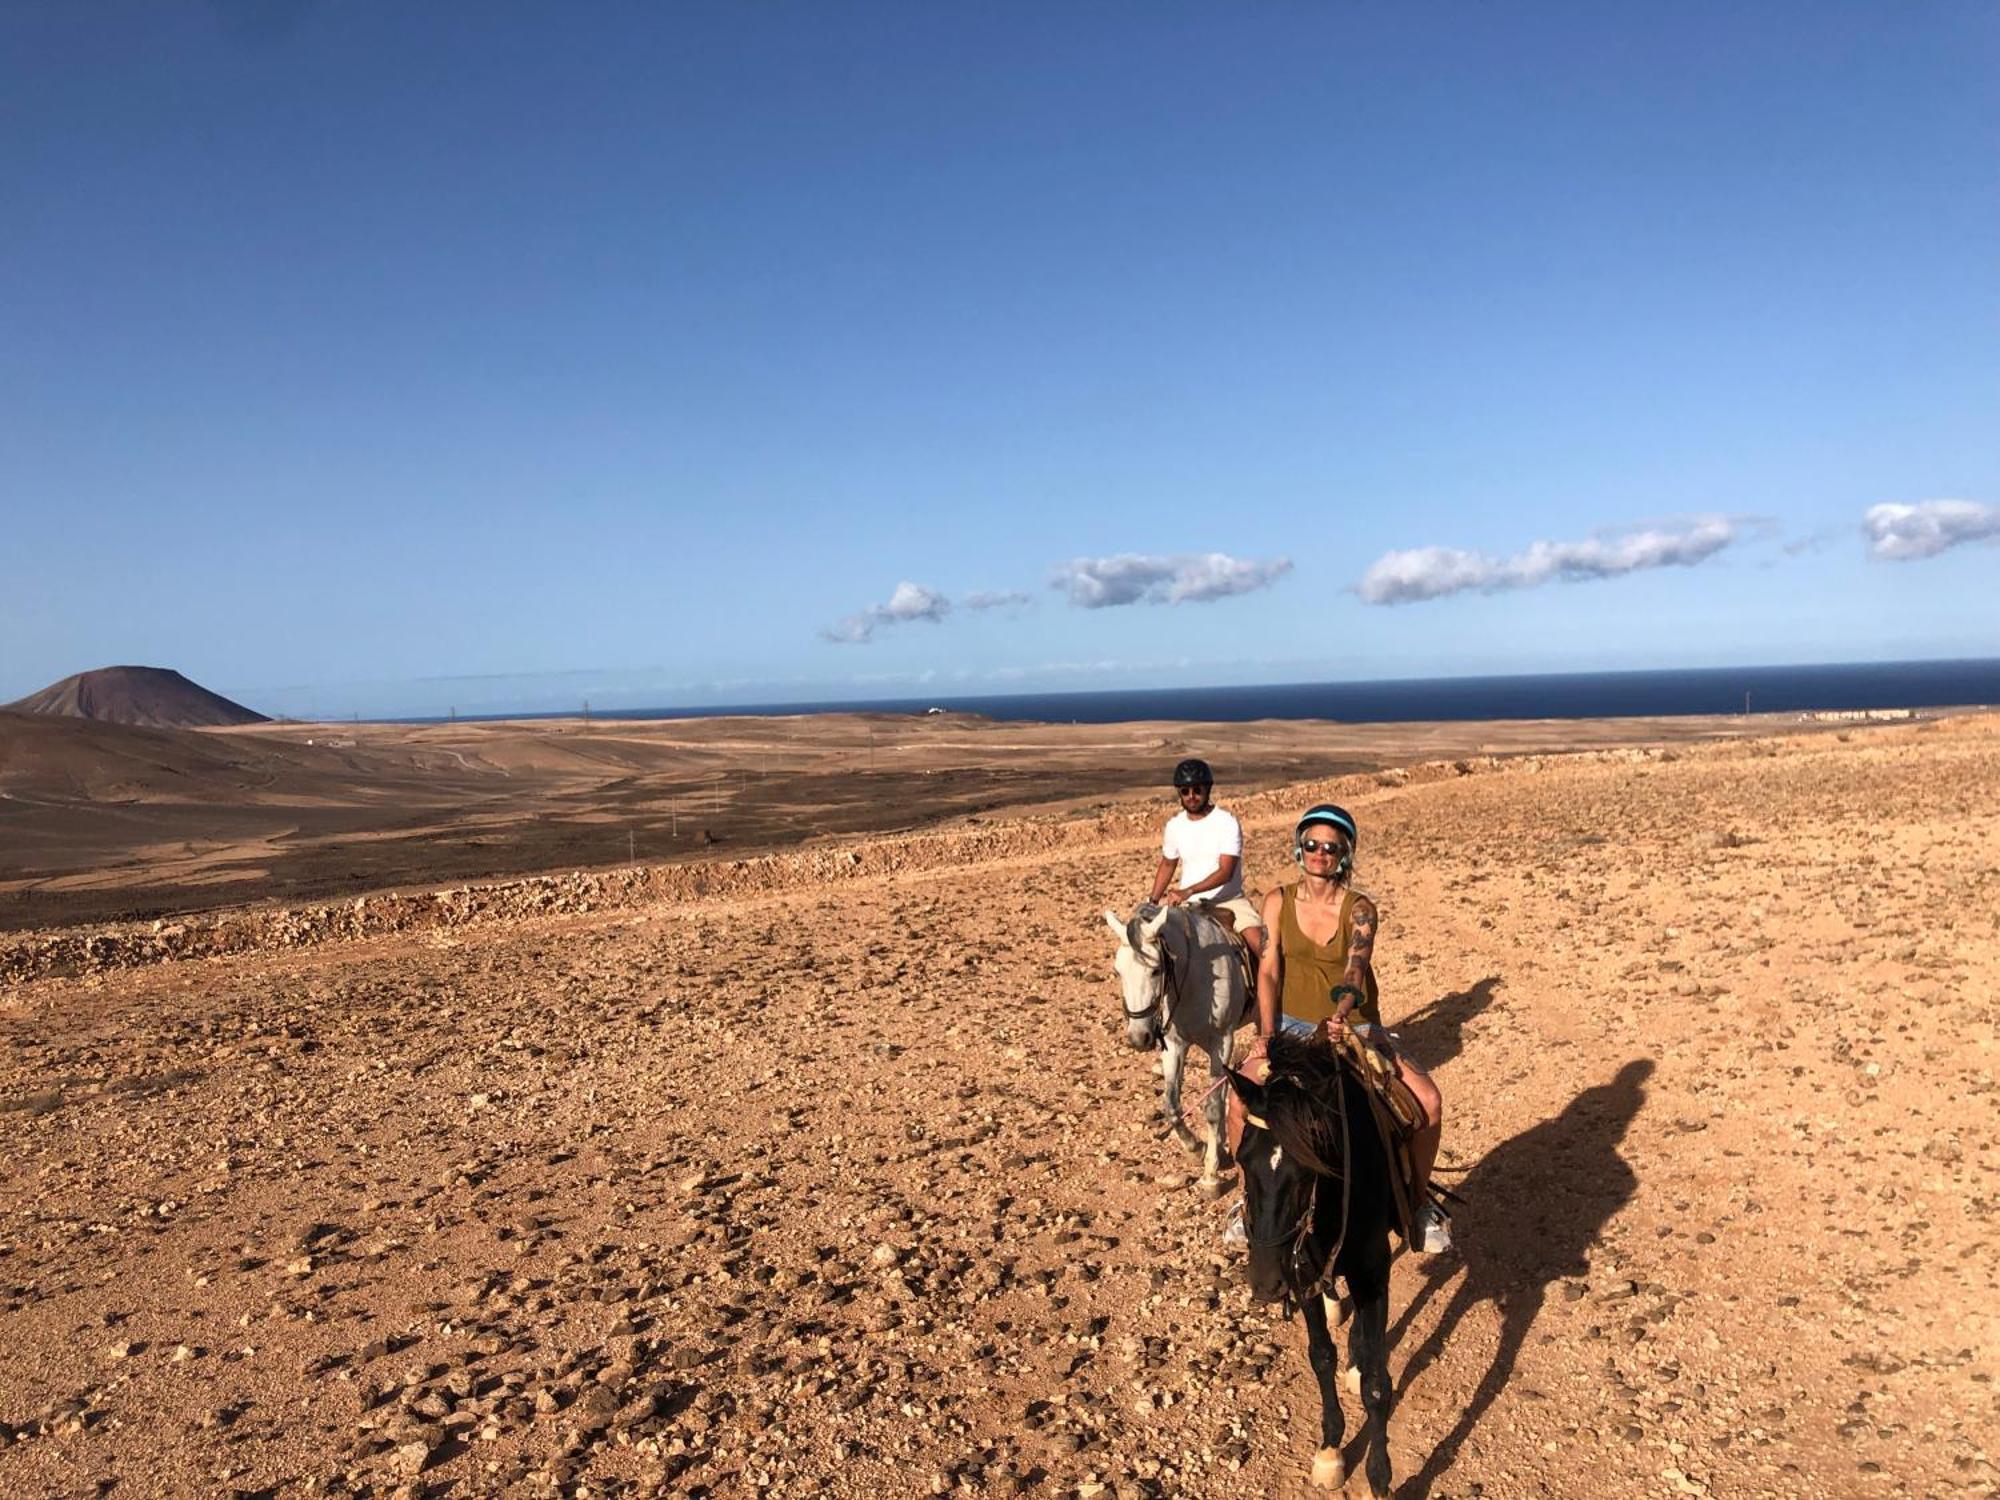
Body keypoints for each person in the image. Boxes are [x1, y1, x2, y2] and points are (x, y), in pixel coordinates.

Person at [1246, 803, 1451, 1254]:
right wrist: (1264, 1033)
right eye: (1312, 844)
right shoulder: (1277, 901)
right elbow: (1268, 970)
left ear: (1346, 854)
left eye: (1331, 847)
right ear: (1299, 849)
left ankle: (1416, 1204)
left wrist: (1340, 1015)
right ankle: (1248, 1204)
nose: (1320, 853)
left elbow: (1356, 969)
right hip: (1288, 1026)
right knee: (1239, 1103)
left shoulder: (1360, 910)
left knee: (1428, 1104)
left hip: (1351, 1023)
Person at [1148, 758, 1265, 966]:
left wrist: (1188, 891)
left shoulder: (1226, 822)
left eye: (1197, 790)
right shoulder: (1175, 826)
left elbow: (1225, 871)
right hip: (1187, 905)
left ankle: (1272, 995)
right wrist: (1152, 902)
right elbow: (1168, 864)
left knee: (1262, 948)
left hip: (1228, 901)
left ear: (1207, 789)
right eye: (1185, 791)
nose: (1191, 796)